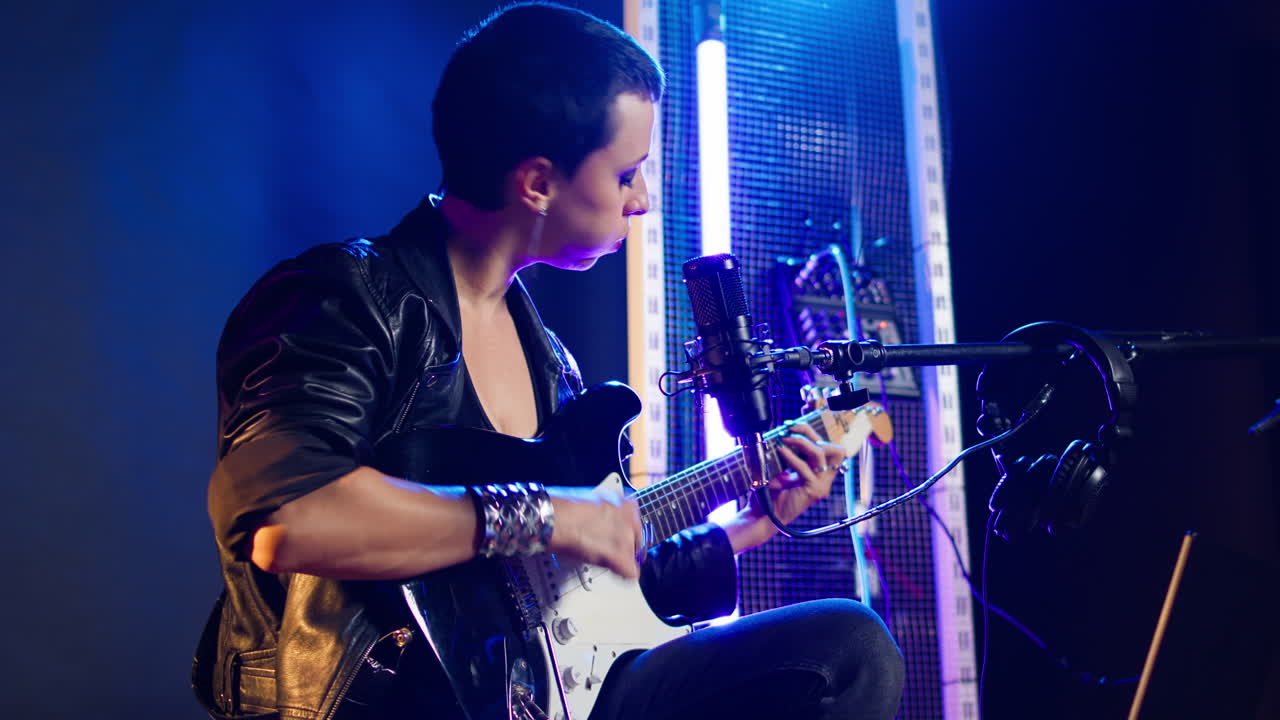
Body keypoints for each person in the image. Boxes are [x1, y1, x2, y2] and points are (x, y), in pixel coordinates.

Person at [193, 3, 904, 719]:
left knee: (847, 651)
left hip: (544, 696)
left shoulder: (552, 362)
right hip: (384, 701)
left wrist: (757, 519)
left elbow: (580, 582)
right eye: (627, 173)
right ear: (536, 182)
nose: (644, 200)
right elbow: (291, 516)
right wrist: (547, 514)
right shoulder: (343, 299)